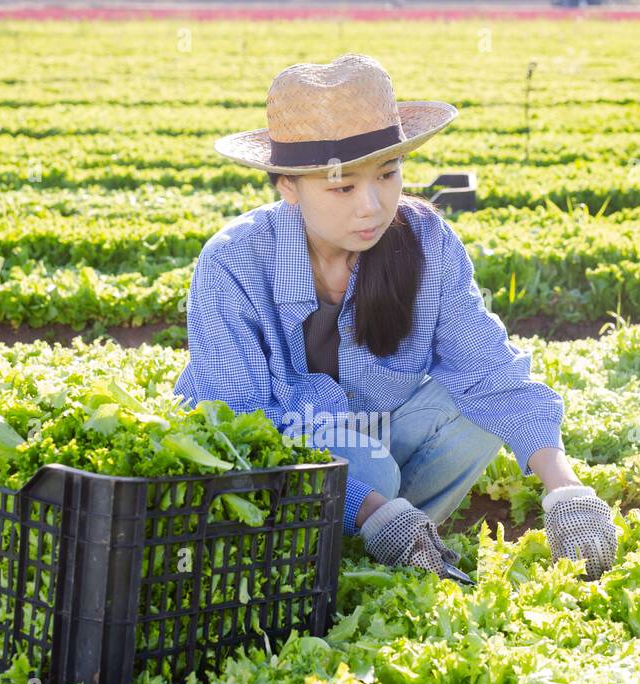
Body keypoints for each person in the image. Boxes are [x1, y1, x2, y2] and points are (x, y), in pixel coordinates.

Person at [172, 53, 617, 581]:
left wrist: (565, 487)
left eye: (388, 175)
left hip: (377, 432)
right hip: (287, 462)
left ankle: (392, 545)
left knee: (477, 413)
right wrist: (366, 502)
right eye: (343, 187)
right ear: (287, 185)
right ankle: (362, 536)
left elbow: (491, 371)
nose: (373, 206)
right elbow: (238, 425)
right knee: (365, 462)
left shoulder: (424, 241)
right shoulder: (235, 261)